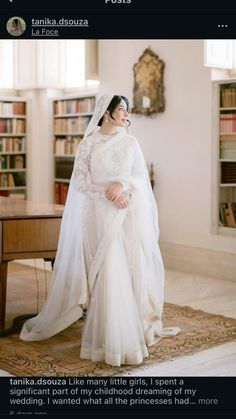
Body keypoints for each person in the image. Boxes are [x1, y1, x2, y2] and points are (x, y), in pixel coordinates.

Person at [20, 94, 180, 366]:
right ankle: (106, 337)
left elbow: (138, 178)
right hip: (96, 215)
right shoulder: (88, 144)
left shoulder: (130, 143)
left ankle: (120, 337)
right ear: (106, 113)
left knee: (123, 269)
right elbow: (81, 183)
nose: (125, 114)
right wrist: (109, 193)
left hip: (124, 214)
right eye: (120, 109)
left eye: (126, 109)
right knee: (105, 271)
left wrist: (122, 187)